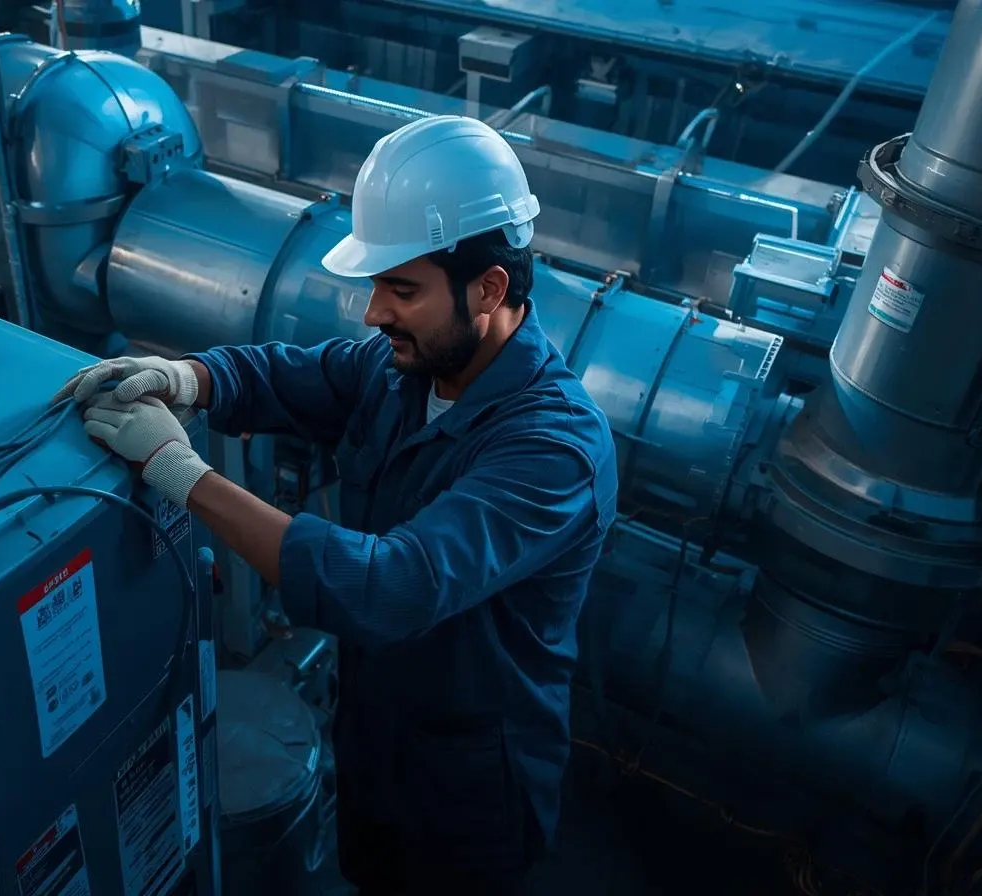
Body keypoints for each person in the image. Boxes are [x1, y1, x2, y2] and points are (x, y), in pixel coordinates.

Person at [59, 115, 618, 894]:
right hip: (372, 739)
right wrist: (187, 377)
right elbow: (289, 375)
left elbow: (388, 586)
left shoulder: (553, 452)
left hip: (468, 792)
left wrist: (178, 471)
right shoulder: (407, 370)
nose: (373, 313)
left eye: (402, 289)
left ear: (489, 288)